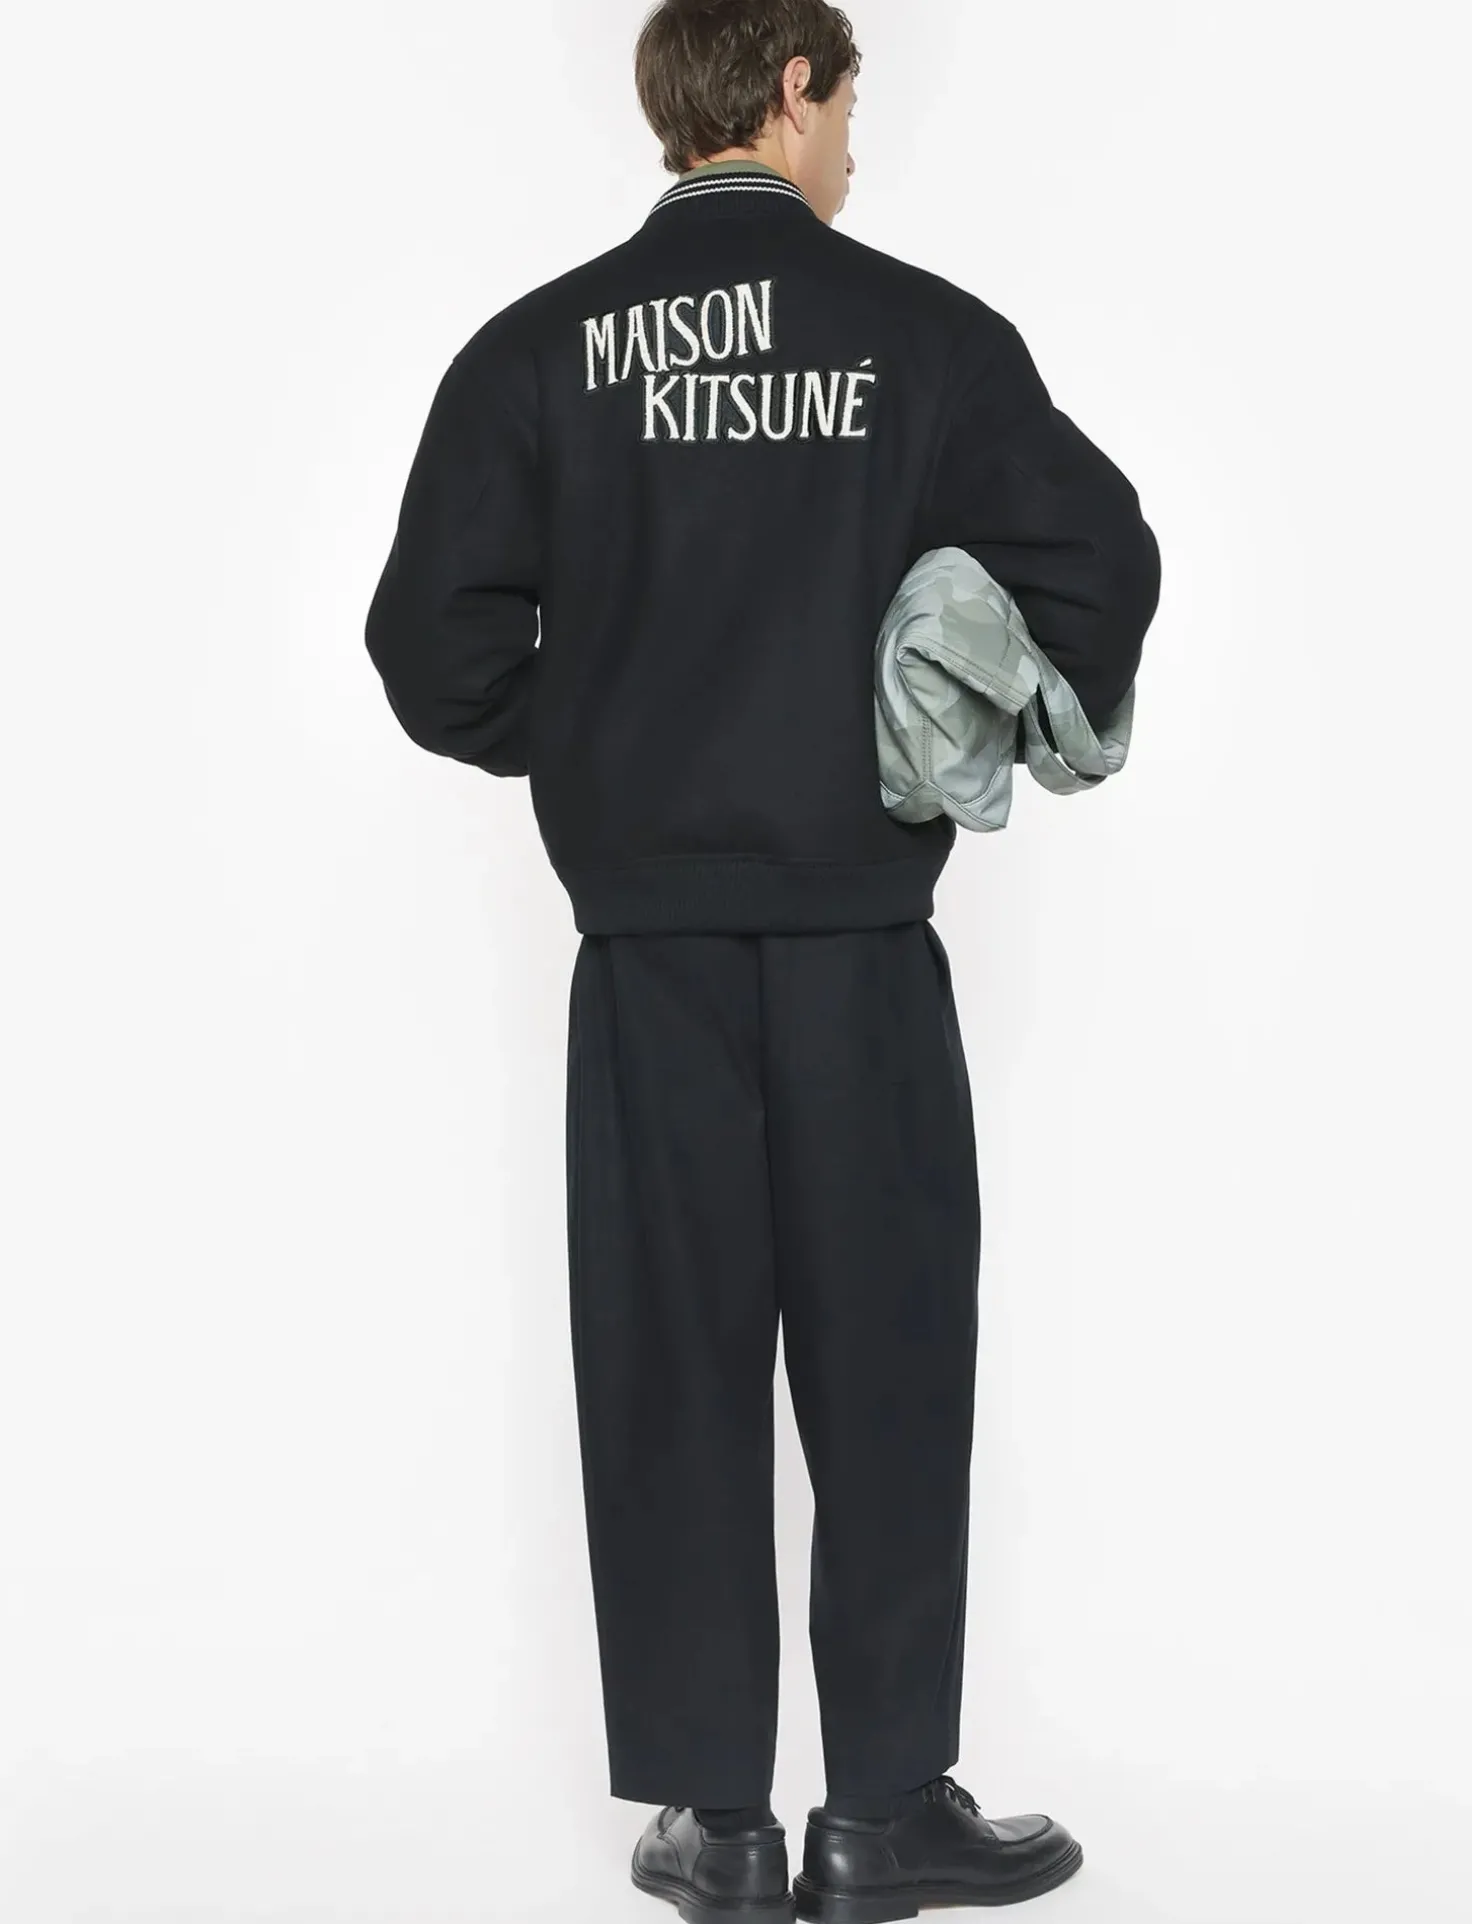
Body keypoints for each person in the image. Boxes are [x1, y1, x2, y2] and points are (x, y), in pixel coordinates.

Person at [363, 2, 1161, 1917]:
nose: (855, 140)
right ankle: (879, 1811)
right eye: (850, 99)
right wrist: (946, 688)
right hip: (859, 944)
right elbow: (1102, 559)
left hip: (643, 957)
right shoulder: (926, 340)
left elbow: (429, 650)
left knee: (666, 1367)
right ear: (792, 89)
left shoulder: (537, 351)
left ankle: (717, 1823)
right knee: (890, 1363)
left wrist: (610, 733)